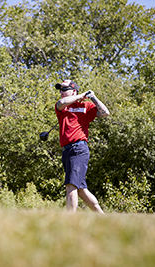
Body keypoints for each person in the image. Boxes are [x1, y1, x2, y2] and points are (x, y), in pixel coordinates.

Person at [54, 80, 110, 213]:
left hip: (78, 149)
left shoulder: (86, 106)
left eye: (64, 89)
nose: (61, 92)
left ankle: (70, 222)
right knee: (81, 190)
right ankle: (103, 217)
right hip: (67, 151)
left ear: (73, 90)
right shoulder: (62, 106)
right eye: (60, 90)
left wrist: (93, 97)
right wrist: (79, 96)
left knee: (71, 186)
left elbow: (105, 112)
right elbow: (61, 103)